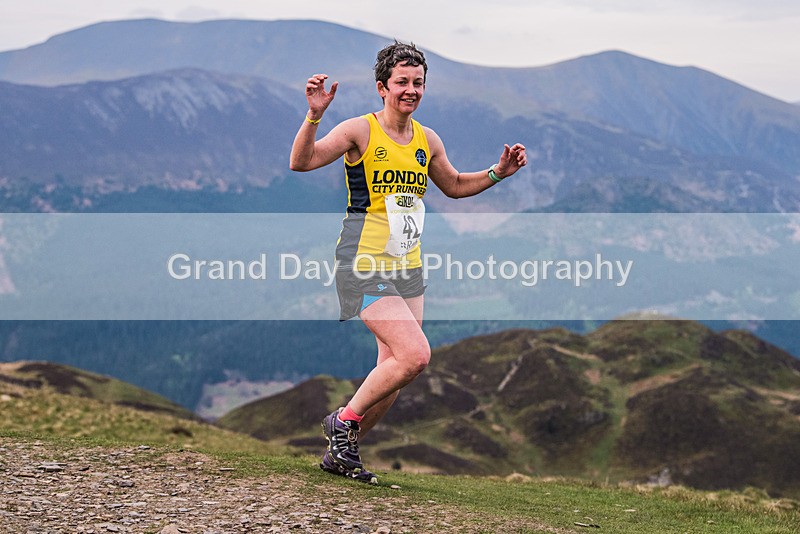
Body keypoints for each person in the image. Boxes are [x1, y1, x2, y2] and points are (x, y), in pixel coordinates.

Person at [289, 41, 527, 484]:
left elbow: (454, 185)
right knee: (416, 356)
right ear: (382, 87)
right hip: (362, 261)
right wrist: (314, 115)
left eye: (418, 83)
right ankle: (342, 423)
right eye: (402, 82)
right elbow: (300, 162)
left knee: (393, 371)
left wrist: (497, 174)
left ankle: (341, 453)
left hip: (407, 268)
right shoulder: (359, 131)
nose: (411, 90)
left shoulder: (426, 139)